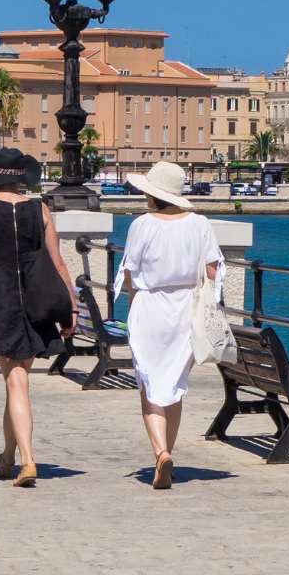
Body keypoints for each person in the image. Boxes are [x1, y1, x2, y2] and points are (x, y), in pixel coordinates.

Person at [0, 148, 77, 488]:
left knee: (16, 381)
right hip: (36, 296)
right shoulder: (40, 209)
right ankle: (8, 456)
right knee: (17, 380)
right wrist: (72, 306)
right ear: (22, 177)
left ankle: (26, 459)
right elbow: (58, 262)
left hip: (2, 296)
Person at [114, 161, 223, 490]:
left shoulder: (142, 225)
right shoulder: (200, 224)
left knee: (149, 384)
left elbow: (130, 274)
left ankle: (160, 452)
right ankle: (168, 453)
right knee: (173, 384)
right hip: (184, 309)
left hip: (150, 307)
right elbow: (214, 271)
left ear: (152, 195)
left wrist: (134, 304)